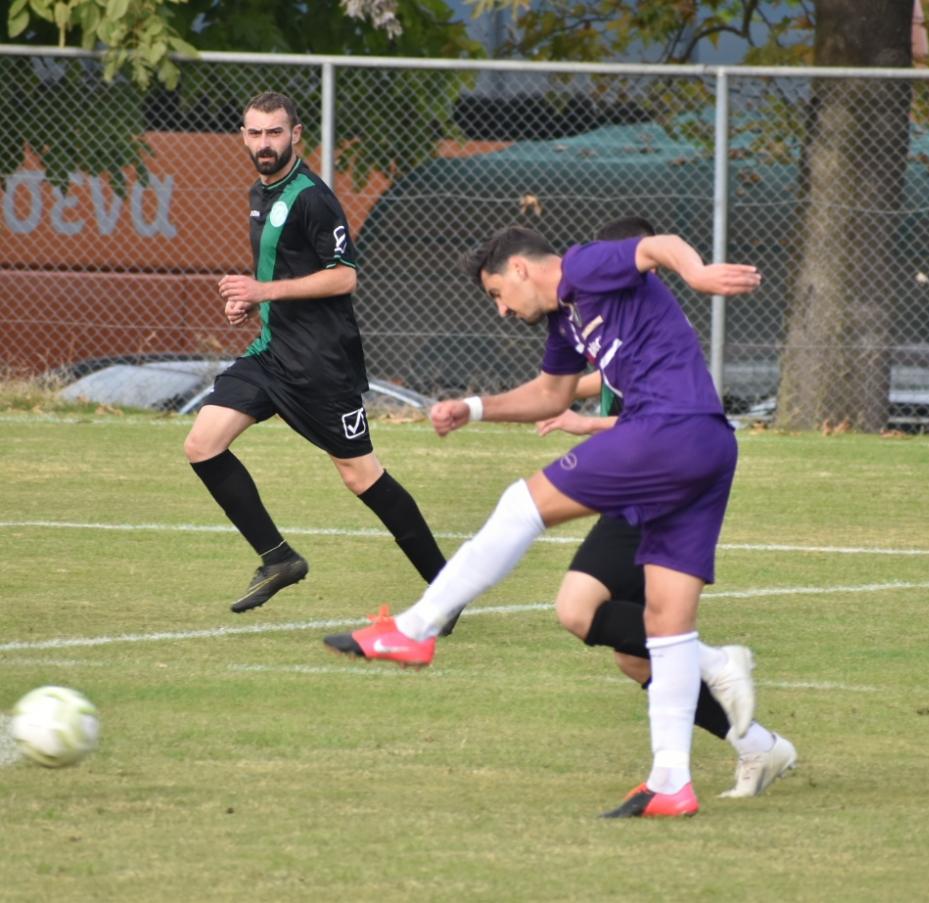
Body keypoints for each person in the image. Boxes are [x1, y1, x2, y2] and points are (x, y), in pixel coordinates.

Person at [325, 223, 762, 817]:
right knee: (665, 623)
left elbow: (654, 245)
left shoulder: (582, 267)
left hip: (668, 430)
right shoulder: (564, 321)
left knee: (520, 504)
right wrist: (474, 408)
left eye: (497, 293)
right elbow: (551, 395)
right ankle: (671, 781)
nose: (502, 310)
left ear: (521, 269)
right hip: (709, 449)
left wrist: (697, 272)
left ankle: (417, 627)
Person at [537, 217, 796, 799]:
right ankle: (757, 745)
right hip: (629, 479)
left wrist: (587, 421)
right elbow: (588, 380)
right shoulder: (596, 322)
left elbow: (656, 421)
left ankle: (711, 664)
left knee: (582, 611)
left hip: (654, 483)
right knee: (633, 659)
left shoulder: (649, 332)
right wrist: (564, 400)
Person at [184, 92, 447, 616]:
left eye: (274, 133)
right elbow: (282, 275)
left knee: (361, 477)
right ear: (243, 135)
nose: (264, 143)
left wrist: (263, 293)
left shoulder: (311, 197)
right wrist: (252, 305)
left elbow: (345, 275)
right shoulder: (259, 194)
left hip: (321, 365)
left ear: (295, 134)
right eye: (255, 133)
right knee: (202, 444)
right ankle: (278, 558)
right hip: (270, 353)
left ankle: (447, 586)